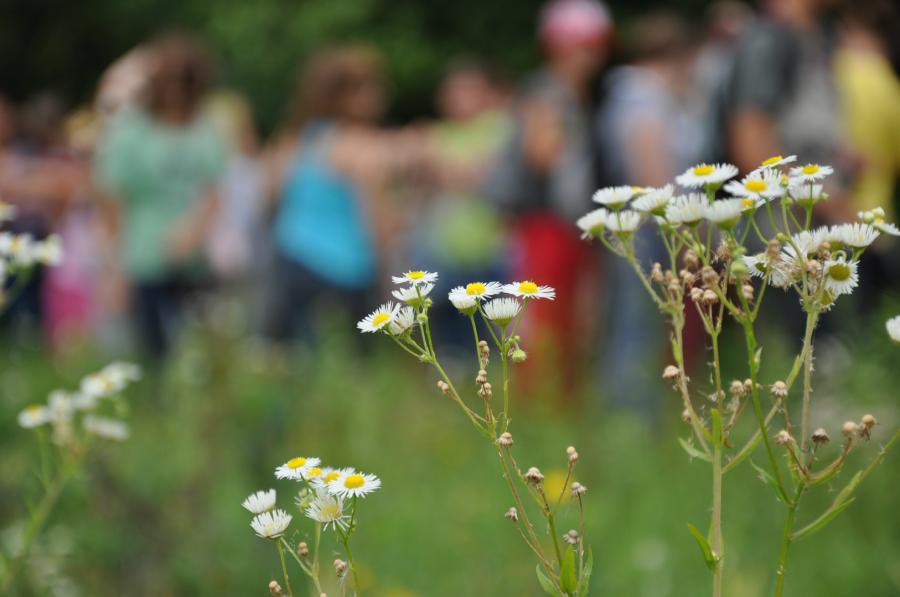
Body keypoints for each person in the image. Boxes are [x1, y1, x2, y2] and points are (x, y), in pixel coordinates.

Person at [485, 0, 613, 392]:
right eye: (582, 46)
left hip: (565, 224)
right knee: (542, 321)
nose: (590, 56)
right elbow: (540, 153)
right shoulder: (547, 91)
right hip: (543, 222)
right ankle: (537, 403)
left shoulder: (573, 93)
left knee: (570, 323)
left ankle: (559, 401)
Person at [261, 45, 418, 344]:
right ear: (348, 95)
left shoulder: (296, 140)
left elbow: (270, 198)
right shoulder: (363, 147)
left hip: (291, 259)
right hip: (345, 271)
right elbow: (378, 224)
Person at [594, 12, 704, 415]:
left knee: (643, 316)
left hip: (646, 221)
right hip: (648, 224)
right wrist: (682, 224)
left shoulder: (632, 93)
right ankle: (632, 411)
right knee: (639, 318)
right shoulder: (643, 94)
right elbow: (650, 167)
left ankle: (638, 409)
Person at [94, 32, 225, 359]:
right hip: (141, 255)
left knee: (199, 352)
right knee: (151, 352)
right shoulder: (132, 131)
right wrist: (114, 265)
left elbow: (216, 193)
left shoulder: (205, 128)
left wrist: (194, 231)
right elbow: (112, 199)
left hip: (193, 260)